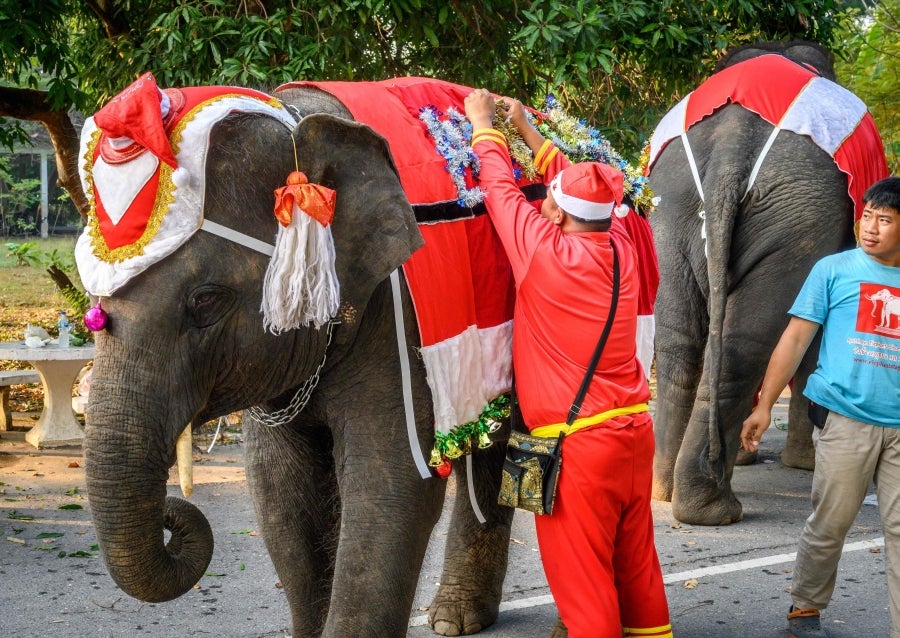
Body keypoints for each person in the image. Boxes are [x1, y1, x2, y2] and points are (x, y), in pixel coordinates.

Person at [464, 89, 672, 638]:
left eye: (549, 204)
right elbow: (591, 190)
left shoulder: (543, 251)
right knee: (636, 567)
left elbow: (499, 189)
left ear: (554, 212)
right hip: (633, 434)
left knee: (582, 584)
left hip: (579, 447)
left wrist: (485, 126)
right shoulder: (623, 241)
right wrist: (529, 132)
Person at [741, 176, 900, 638]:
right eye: (867, 216)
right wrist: (764, 404)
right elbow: (794, 338)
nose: (870, 227)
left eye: (884, 220)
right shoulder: (834, 270)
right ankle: (805, 609)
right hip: (845, 418)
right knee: (830, 523)